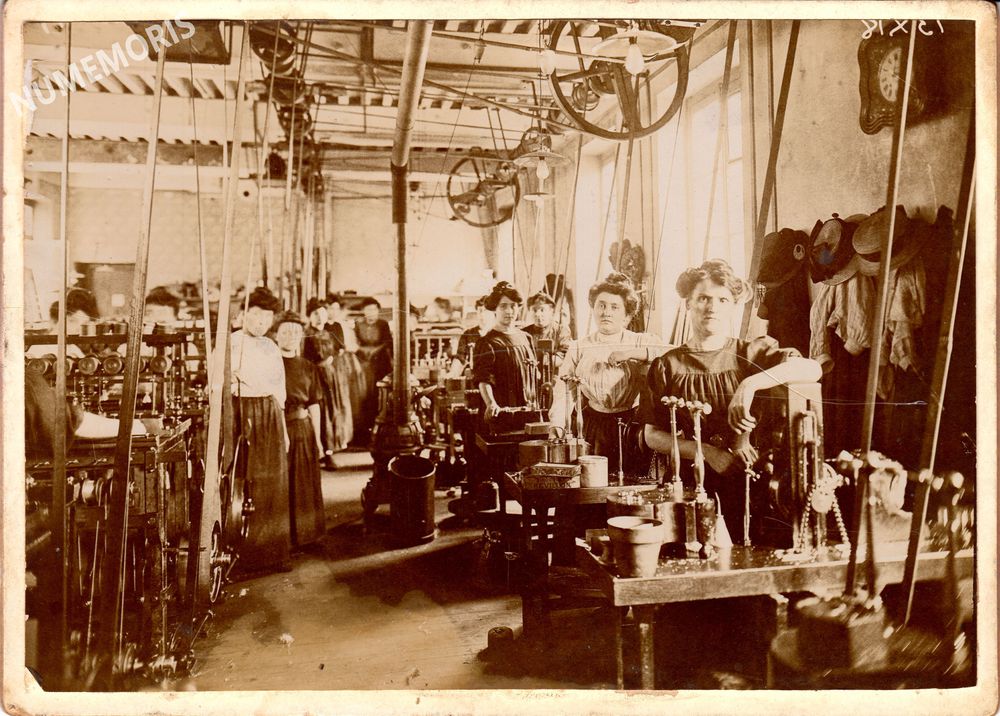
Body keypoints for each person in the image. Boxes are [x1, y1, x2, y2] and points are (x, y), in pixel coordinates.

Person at [638, 259, 821, 541]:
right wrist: (707, 453)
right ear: (688, 304)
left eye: (722, 300)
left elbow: (813, 369)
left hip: (750, 478)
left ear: (733, 305)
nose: (712, 307)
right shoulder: (667, 365)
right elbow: (652, 435)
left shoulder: (751, 354)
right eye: (703, 298)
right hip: (693, 481)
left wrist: (750, 384)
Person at [550, 273, 668, 475]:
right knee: (591, 480)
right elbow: (564, 392)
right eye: (601, 305)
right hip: (592, 427)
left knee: (629, 482)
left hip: (631, 426)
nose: (606, 312)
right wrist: (558, 425)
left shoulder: (639, 341)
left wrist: (630, 354)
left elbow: (667, 354)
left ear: (626, 314)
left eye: (614, 307)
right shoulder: (579, 347)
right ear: (593, 308)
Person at [230, 286, 291, 574]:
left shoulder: (270, 346)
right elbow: (220, 384)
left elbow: (279, 390)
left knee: (274, 482)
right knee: (246, 480)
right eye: (256, 316)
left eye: (267, 318)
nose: (261, 323)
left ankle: (274, 555)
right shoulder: (231, 343)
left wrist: (283, 429)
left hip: (270, 413)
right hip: (242, 412)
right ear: (243, 314)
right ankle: (245, 557)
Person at [274, 311, 326, 549]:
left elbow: (314, 404)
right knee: (282, 484)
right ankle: (284, 539)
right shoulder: (271, 365)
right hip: (278, 427)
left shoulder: (308, 367)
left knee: (305, 482)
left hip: (304, 429)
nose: (291, 336)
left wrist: (319, 440)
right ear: (276, 336)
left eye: (296, 332)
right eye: (285, 332)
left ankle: (307, 536)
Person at [473, 281, 539, 432]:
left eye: (513, 306)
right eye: (503, 306)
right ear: (495, 309)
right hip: (501, 413)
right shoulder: (487, 342)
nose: (509, 311)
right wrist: (491, 403)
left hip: (526, 410)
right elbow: (483, 379)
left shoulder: (526, 338)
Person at [354, 297, 393, 441]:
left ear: (378, 311)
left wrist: (374, 350)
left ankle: (381, 430)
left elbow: (387, 342)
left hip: (380, 363)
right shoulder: (358, 324)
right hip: (363, 364)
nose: (371, 312)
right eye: (368, 309)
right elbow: (356, 343)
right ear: (363, 311)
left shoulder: (383, 324)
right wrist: (363, 350)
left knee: (379, 395)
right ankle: (364, 431)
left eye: (374, 309)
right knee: (364, 395)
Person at [27, 287, 100, 359]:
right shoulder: (38, 349)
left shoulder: (73, 348)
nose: (78, 328)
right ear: (54, 321)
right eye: (73, 321)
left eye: (83, 324)